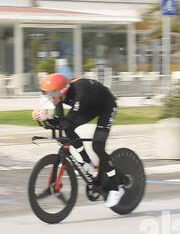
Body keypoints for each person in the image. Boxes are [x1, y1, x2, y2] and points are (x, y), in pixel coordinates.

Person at [32, 72, 123, 207]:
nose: (50, 98)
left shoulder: (80, 92)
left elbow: (68, 120)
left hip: (106, 105)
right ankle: (87, 162)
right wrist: (43, 118)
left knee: (98, 145)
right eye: (48, 94)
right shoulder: (60, 97)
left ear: (62, 91)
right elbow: (62, 123)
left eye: (52, 94)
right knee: (68, 129)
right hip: (90, 106)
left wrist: (49, 117)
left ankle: (116, 188)